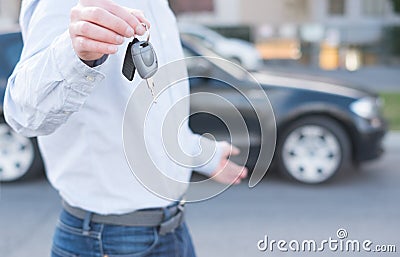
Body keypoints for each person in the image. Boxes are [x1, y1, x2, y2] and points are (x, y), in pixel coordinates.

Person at [4, 0, 248, 256]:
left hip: (175, 228)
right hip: (105, 240)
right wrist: (73, 53)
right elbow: (23, 114)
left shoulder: (159, 6)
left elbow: (156, 112)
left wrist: (202, 155)